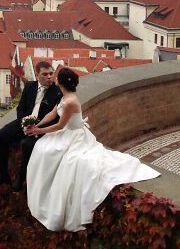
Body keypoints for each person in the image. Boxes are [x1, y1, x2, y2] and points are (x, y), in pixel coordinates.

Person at [26, 68, 160, 232]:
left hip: (73, 136)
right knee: (42, 147)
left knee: (58, 155)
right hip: (65, 133)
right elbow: (53, 114)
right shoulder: (64, 97)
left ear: (60, 82)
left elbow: (60, 125)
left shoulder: (70, 102)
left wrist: (38, 132)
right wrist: (37, 125)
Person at [0, 61, 62, 191]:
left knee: (27, 145)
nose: (49, 77)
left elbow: (56, 117)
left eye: (51, 73)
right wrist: (23, 124)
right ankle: (2, 174)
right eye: (45, 74)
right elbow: (21, 108)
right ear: (37, 74)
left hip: (42, 126)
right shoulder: (30, 86)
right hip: (25, 122)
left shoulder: (57, 92)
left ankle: (21, 178)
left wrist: (37, 129)